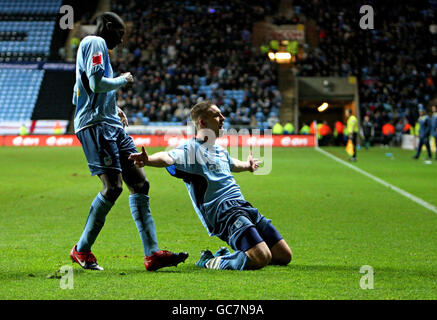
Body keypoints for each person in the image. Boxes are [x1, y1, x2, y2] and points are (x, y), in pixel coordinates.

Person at [70, 12, 188, 271]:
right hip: (96, 126)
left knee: (140, 182)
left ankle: (152, 254)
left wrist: (114, 106)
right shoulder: (94, 42)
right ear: (109, 27)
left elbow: (86, 90)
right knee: (113, 187)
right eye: (120, 34)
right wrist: (122, 80)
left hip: (110, 123)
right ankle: (81, 250)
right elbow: (96, 83)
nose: (121, 41)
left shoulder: (96, 49)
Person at [129, 101, 292, 270]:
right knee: (261, 257)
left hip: (242, 205)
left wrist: (248, 165)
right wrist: (148, 160)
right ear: (202, 122)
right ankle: (208, 261)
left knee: (283, 255)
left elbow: (232, 164)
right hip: (224, 212)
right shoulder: (190, 149)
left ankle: (232, 255)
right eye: (217, 115)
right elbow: (168, 157)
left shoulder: (220, 149)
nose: (223, 118)